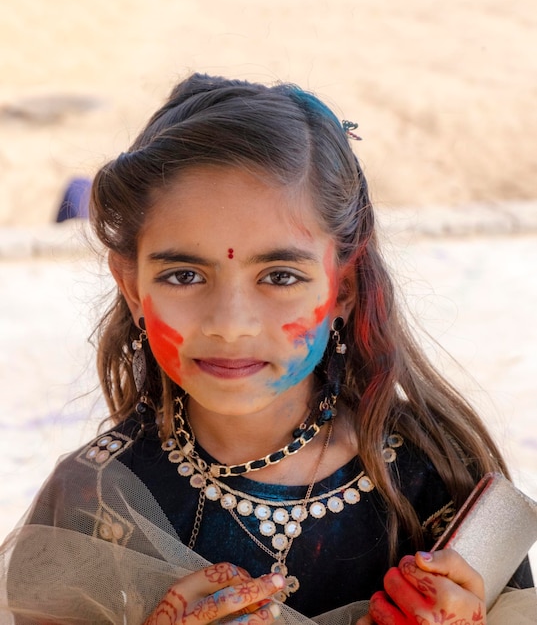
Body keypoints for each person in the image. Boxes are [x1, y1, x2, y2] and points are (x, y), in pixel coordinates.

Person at [1, 73, 535, 625]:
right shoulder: (92, 501)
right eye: (184, 275)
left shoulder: (435, 479)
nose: (230, 325)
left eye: (279, 276)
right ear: (133, 287)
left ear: (342, 289)